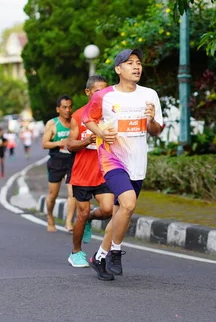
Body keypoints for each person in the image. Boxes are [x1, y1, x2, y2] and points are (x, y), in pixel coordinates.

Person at [83, 49, 164, 277]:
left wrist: (150, 120)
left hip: (137, 162)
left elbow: (156, 130)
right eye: (130, 63)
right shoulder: (105, 96)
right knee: (128, 204)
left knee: (121, 213)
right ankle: (115, 252)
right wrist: (101, 133)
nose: (136, 67)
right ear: (119, 69)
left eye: (138, 63)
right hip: (112, 159)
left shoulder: (150, 95)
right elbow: (87, 118)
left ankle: (98, 258)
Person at [66, 75, 114, 276]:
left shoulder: (111, 115)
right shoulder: (78, 116)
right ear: (88, 93)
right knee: (82, 213)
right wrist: (87, 141)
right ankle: (75, 253)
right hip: (83, 174)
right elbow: (70, 145)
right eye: (97, 91)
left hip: (104, 172)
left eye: (104, 91)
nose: (101, 95)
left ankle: (88, 220)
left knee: (108, 210)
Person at [42, 95, 76, 232]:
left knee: (72, 192)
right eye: (64, 107)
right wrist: (58, 143)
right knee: (52, 195)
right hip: (56, 161)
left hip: (72, 161)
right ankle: (50, 217)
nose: (68, 110)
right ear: (58, 109)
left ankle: (68, 222)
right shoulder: (52, 124)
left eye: (69, 107)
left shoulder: (75, 121)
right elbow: (44, 144)